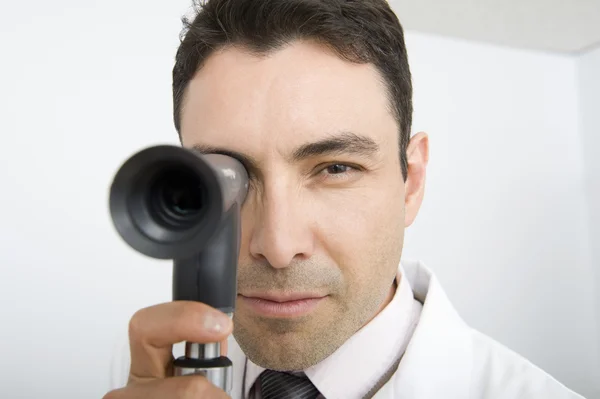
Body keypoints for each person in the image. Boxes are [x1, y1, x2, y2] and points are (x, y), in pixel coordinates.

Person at [103, 0, 586, 398]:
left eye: (335, 168)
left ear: (411, 181)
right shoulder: (145, 376)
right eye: (227, 177)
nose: (277, 244)